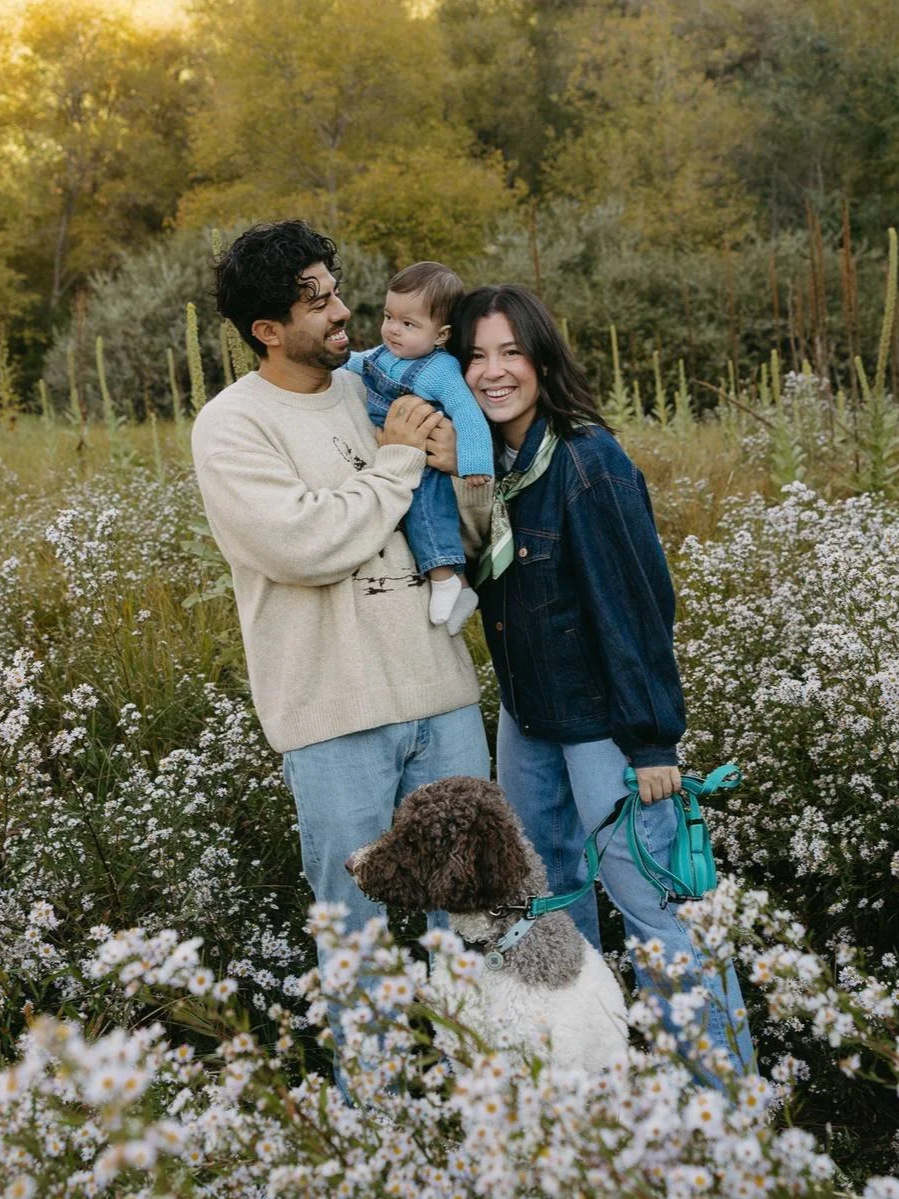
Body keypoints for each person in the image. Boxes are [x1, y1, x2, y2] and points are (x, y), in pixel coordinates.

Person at [190, 221, 492, 1075]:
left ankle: (489, 1108)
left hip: (440, 699)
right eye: (315, 299)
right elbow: (304, 544)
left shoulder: (377, 385)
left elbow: (465, 540)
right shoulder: (232, 425)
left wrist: (458, 470)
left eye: (334, 288)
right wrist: (397, 464)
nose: (342, 310)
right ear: (267, 330)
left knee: (473, 914)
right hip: (332, 717)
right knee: (355, 932)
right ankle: (376, 1125)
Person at [448, 284, 754, 1078]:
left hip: (605, 730)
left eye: (509, 351)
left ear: (542, 358)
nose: (492, 371)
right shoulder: (490, 468)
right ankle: (591, 1081)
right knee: (547, 905)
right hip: (527, 722)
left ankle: (725, 1101)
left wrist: (653, 740)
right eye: (474, 356)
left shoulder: (586, 460)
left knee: (654, 907)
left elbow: (638, 606)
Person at [345, 261, 492, 635]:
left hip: (425, 462)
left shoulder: (440, 369)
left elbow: (467, 413)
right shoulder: (385, 354)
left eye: (408, 324)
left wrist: (474, 461)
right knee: (404, 522)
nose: (393, 329)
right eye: (388, 316)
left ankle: (447, 578)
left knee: (427, 514)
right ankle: (456, 586)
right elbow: (357, 363)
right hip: (394, 452)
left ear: (441, 335)